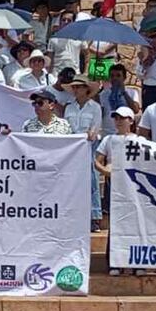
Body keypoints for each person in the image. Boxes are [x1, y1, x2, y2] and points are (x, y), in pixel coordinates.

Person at [95, 107, 141, 275]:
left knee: (136, 222)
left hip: (134, 186)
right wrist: (106, 171)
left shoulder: (139, 140)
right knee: (115, 223)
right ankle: (115, 262)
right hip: (113, 184)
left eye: (123, 118)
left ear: (131, 120)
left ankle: (137, 263)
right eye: (116, 118)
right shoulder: (108, 139)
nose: (119, 121)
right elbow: (97, 161)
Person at [64, 75, 103, 231]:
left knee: (92, 180)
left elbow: (96, 128)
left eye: (78, 87)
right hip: (73, 148)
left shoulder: (95, 107)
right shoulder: (69, 107)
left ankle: (94, 217)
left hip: (89, 146)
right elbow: (67, 128)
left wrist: (91, 134)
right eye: (74, 87)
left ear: (86, 89)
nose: (76, 89)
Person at [98, 64, 140, 135]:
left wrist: (124, 93)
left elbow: (136, 110)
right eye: (112, 76)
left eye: (118, 75)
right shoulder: (103, 94)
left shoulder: (132, 92)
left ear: (124, 78)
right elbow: (100, 114)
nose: (115, 78)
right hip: (108, 133)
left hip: (126, 133)